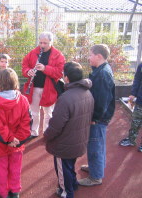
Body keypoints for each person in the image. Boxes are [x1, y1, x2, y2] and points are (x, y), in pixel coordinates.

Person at [44, 62, 94, 198]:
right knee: (70, 164)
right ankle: (73, 183)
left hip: (64, 143)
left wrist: (46, 136)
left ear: (66, 78)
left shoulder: (65, 98)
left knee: (62, 167)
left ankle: (66, 191)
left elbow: (56, 124)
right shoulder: (87, 92)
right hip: (79, 139)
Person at [0, 68, 31, 198]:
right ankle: (15, 191)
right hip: (16, 145)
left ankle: (3, 193)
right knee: (15, 169)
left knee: (1, 171)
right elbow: (27, 122)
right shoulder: (23, 100)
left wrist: (9, 139)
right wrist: (17, 140)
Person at [78, 44, 115, 186]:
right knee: (97, 143)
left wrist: (95, 118)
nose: (89, 58)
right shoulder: (99, 70)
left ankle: (96, 177)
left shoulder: (103, 74)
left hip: (98, 118)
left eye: (90, 55)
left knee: (95, 145)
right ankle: (96, 168)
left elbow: (102, 100)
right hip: (99, 116)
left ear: (99, 56)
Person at [22, 31, 65, 138]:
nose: (42, 45)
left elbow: (59, 72)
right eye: (40, 42)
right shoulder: (33, 53)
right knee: (34, 112)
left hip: (49, 88)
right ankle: (34, 131)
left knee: (48, 113)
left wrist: (45, 68)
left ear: (51, 42)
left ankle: (47, 133)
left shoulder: (58, 55)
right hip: (34, 87)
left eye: (45, 43)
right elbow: (24, 65)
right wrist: (28, 72)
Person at [119, 62, 142, 152]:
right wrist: (133, 93)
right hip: (140, 101)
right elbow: (137, 80)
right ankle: (131, 140)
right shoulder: (141, 66)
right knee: (135, 121)